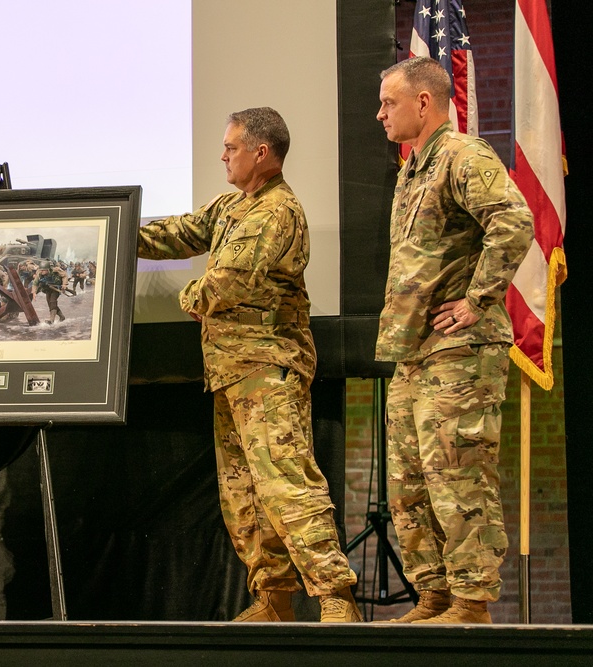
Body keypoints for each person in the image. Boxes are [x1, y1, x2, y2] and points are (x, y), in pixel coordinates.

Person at [138, 108, 361, 623]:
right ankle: (273, 598)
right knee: (243, 493)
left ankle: (334, 595)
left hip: (267, 370)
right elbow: (183, 232)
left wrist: (189, 296)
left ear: (261, 152)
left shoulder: (276, 211)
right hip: (232, 372)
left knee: (286, 483)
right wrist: (120, 232)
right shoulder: (234, 205)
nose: (222, 155)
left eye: (231, 147)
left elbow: (227, 282)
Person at [374, 57, 534, 623]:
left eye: (389, 102)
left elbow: (513, 221)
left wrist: (477, 299)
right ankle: (435, 594)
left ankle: (471, 601)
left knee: (457, 474)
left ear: (423, 102)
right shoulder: (412, 169)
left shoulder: (464, 156)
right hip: (413, 351)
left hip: (460, 352)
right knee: (409, 482)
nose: (379, 113)